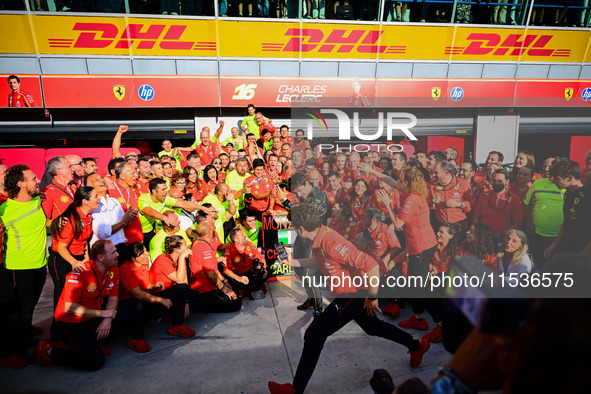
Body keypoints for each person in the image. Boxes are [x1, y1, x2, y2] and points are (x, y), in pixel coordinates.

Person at [268, 204, 430, 394]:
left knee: (314, 334)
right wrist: (293, 261)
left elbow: (371, 266)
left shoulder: (330, 241)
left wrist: (371, 297)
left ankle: (295, 389)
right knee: (374, 327)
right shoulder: (320, 237)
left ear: (300, 229)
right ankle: (417, 346)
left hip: (353, 295)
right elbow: (322, 262)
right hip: (352, 294)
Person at [36, 240, 120, 371]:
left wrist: (107, 319)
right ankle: (50, 351)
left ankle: (93, 344)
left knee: (126, 315)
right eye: (113, 252)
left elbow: (113, 298)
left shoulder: (114, 270)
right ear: (101, 257)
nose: (118, 254)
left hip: (92, 317)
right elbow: (70, 307)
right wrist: (103, 314)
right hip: (70, 321)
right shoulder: (79, 273)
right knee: (94, 361)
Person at [0, 165, 46, 367]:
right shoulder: (5, 209)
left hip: (40, 263)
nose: (37, 180)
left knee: (32, 304)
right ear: (21, 184)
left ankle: (25, 331)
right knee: (20, 309)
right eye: (33, 178)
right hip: (19, 266)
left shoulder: (37, 200)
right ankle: (17, 348)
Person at [48, 187, 100, 323]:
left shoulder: (88, 216)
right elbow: (61, 247)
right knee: (62, 297)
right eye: (95, 196)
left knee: (77, 295)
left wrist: (86, 256)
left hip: (77, 258)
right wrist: (74, 263)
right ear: (85, 201)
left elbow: (85, 240)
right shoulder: (71, 219)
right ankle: (58, 332)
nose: (99, 198)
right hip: (62, 259)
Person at [117, 243, 172, 353]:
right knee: (138, 304)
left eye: (146, 251)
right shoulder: (125, 269)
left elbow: (144, 284)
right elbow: (137, 293)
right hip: (127, 301)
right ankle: (136, 339)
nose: (147, 254)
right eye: (143, 253)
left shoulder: (143, 265)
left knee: (165, 298)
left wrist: (154, 285)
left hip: (140, 298)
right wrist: (161, 300)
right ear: (133, 258)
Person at [138, 178, 213, 247]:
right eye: (163, 189)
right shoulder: (143, 199)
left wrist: (201, 207)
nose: (166, 192)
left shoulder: (164, 198)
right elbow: (150, 211)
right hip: (139, 230)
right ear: (154, 191)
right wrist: (165, 218)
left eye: (166, 189)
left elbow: (182, 203)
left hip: (150, 229)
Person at [188, 222, 242, 313]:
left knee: (236, 292)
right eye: (213, 227)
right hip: (204, 289)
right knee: (235, 302)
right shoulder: (204, 247)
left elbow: (213, 267)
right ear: (209, 232)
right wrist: (225, 290)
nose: (215, 228)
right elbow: (211, 276)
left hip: (209, 285)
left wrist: (224, 281)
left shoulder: (201, 243)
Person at [523, 157, 566, 269]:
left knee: (556, 268)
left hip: (559, 236)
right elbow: (526, 204)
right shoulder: (538, 184)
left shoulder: (566, 186)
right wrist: (528, 224)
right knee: (539, 266)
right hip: (538, 234)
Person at [149, 236, 195, 338]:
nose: (187, 246)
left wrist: (186, 302)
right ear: (177, 249)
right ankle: (177, 325)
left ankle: (176, 314)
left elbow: (184, 281)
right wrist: (183, 257)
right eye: (184, 244)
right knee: (182, 288)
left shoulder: (179, 258)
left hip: (170, 291)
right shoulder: (163, 259)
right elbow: (179, 280)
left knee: (195, 295)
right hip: (157, 295)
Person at [545, 160, 591, 257]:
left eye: (557, 178)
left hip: (582, 254)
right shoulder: (567, 193)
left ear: (570, 178)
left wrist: (582, 255)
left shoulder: (587, 196)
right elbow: (566, 221)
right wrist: (554, 244)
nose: (553, 181)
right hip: (566, 249)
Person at [86, 173, 136, 261]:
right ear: (90, 187)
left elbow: (125, 225)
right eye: (96, 180)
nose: (102, 180)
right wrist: (123, 222)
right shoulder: (93, 206)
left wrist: (129, 218)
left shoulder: (114, 201)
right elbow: (101, 233)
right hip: (105, 252)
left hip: (121, 246)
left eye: (101, 178)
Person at [473, 169, 523, 242]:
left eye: (500, 181)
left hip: (503, 238)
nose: (496, 183)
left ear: (507, 181)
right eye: (494, 180)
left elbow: (518, 223)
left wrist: (502, 234)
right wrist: (479, 232)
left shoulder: (514, 199)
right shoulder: (484, 195)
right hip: (483, 238)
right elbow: (475, 216)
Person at [223, 228, 270, 296]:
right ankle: (251, 288)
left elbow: (261, 258)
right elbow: (226, 270)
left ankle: (249, 288)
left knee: (267, 272)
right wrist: (238, 278)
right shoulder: (229, 249)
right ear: (236, 239)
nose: (245, 235)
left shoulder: (249, 244)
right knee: (231, 281)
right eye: (242, 235)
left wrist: (264, 269)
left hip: (251, 273)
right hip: (239, 275)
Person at [428, 160, 471, 233]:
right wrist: (433, 202)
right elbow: (428, 205)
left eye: (436, 173)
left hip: (458, 224)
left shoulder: (463, 183)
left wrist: (458, 204)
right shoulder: (433, 183)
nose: (434, 175)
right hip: (440, 224)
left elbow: (472, 204)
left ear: (446, 173)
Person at [109, 162, 144, 244]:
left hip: (138, 238)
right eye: (133, 173)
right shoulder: (110, 190)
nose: (136, 176)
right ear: (122, 176)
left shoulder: (134, 188)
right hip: (121, 241)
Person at [41, 156, 76, 221]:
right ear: (60, 171)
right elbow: (45, 220)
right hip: (63, 230)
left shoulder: (74, 187)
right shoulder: (48, 192)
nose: (73, 169)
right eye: (69, 167)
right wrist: (59, 224)